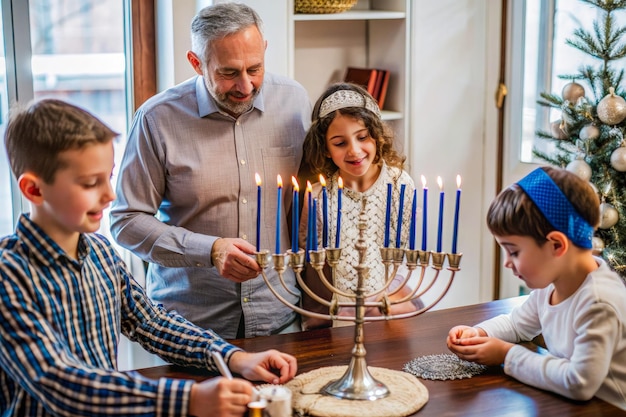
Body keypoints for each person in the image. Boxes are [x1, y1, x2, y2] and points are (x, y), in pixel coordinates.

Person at [0, 98, 298, 417]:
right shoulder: (9, 274)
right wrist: (190, 399)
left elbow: (151, 323)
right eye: (90, 183)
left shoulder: (100, 253)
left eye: (109, 177)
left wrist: (233, 357)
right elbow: (60, 383)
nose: (110, 194)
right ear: (33, 190)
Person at [109, 3, 311, 338]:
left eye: (255, 69)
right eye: (229, 73)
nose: (245, 86)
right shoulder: (156, 119)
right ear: (196, 63)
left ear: (264, 51)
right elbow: (126, 220)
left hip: (281, 314)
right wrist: (210, 250)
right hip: (188, 326)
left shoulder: (295, 102)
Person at [447, 166, 626, 410]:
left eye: (514, 251)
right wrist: (478, 334)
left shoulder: (598, 302)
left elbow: (579, 383)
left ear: (556, 245)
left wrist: (506, 355)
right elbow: (516, 325)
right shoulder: (553, 285)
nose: (507, 262)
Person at [298, 82, 422, 330]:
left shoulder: (401, 185)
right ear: (325, 148)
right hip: (335, 316)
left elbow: (406, 254)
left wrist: (387, 300)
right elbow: (312, 268)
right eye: (340, 143)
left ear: (376, 135)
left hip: (391, 308)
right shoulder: (318, 197)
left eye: (362, 137)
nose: (354, 151)